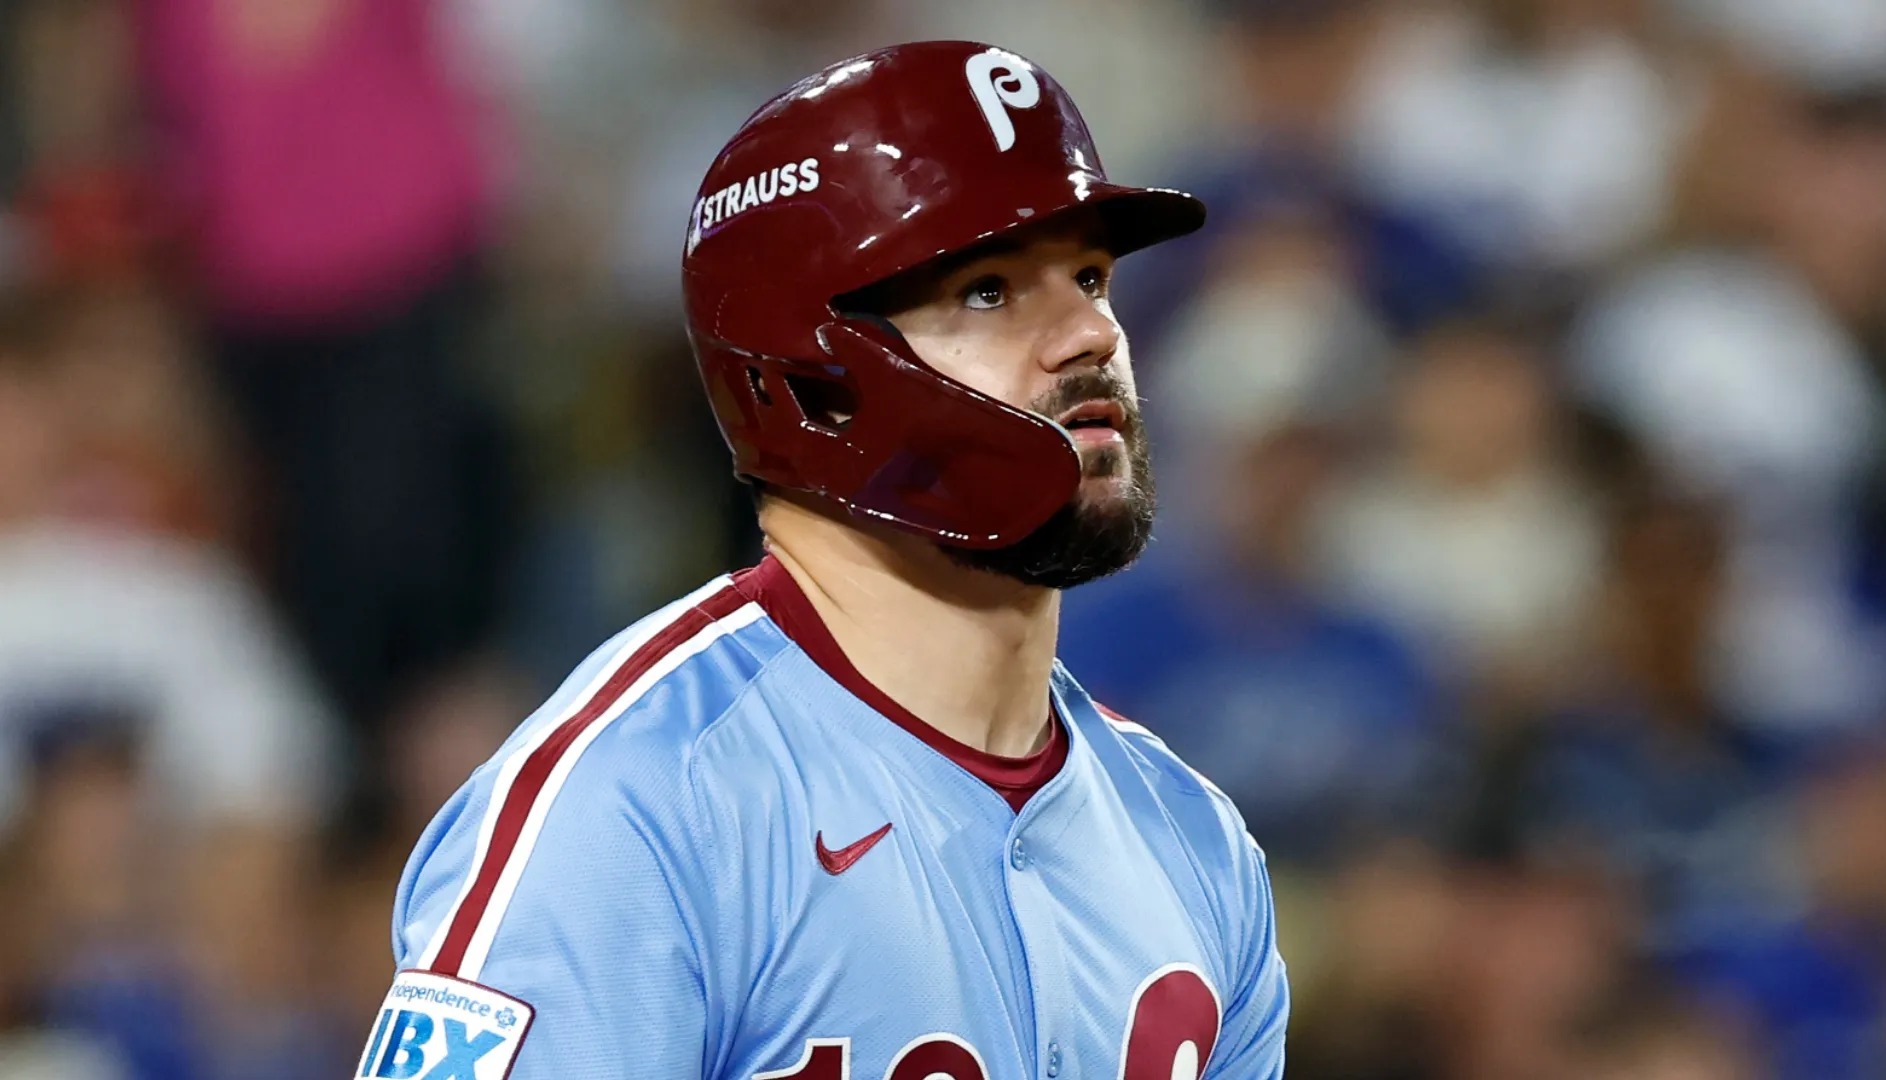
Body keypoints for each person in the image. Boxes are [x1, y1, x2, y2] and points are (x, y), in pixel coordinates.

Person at [368, 41, 1288, 1080]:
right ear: (813, 378)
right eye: (988, 291)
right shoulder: (637, 806)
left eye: (1088, 275)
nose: (1088, 332)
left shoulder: (1192, 843)